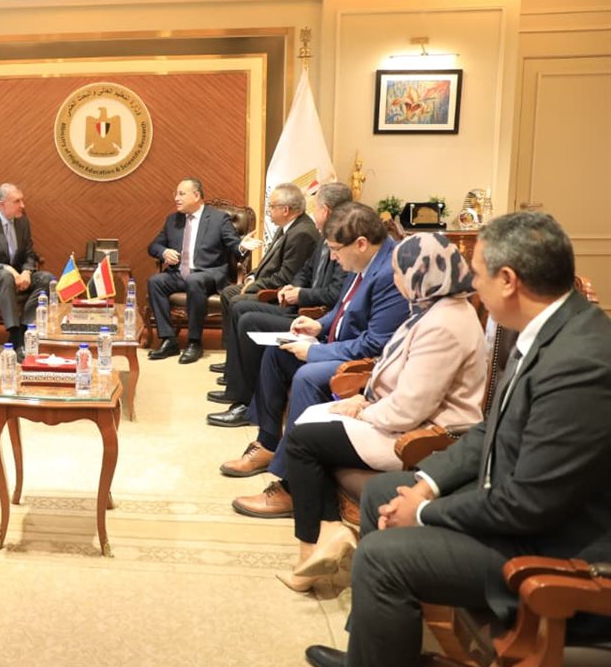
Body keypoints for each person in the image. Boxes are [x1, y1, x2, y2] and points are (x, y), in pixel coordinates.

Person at [303, 212, 611, 667]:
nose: (472, 285)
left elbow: (528, 505)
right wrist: (426, 484)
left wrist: (422, 512)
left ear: (508, 280)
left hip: (550, 548)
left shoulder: (580, 363)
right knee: (385, 493)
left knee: (383, 557)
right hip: (515, 505)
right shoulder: (549, 329)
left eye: (478, 274)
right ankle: (373, 650)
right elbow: (490, 428)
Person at [274, 232, 486, 593]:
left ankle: (315, 544)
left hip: (423, 435)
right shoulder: (432, 308)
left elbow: (409, 408)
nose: (396, 279)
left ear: (421, 271)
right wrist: (363, 401)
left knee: (302, 440)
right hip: (401, 417)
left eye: (399, 272)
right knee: (308, 421)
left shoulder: (445, 324)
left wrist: (364, 410)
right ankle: (326, 535)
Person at [223, 202, 408, 519]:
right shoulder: (363, 262)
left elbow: (375, 344)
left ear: (361, 243)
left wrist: (314, 352)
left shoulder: (389, 273)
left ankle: (293, 487)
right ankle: (268, 443)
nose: (333, 257)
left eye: (335, 250)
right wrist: (319, 325)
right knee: (277, 353)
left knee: (307, 376)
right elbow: (342, 307)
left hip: (366, 364)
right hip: (339, 346)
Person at [208, 182, 351, 424]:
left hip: (313, 316)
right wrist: (294, 288)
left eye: (315, 207)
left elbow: (334, 294)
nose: (312, 212)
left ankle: (244, 402)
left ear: (325, 210)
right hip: (298, 307)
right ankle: (238, 386)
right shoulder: (323, 236)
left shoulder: (340, 241)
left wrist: (301, 295)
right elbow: (304, 271)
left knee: (246, 315)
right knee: (242, 309)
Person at [146, 178, 242, 364]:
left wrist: (243, 247)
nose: (176, 198)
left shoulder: (218, 219)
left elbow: (235, 245)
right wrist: (164, 252)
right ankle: (168, 339)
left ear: (196, 195)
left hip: (208, 274)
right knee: (155, 281)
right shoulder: (173, 220)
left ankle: (194, 342)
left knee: (194, 280)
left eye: (181, 194)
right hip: (179, 274)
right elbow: (153, 246)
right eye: (175, 194)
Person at [0, 182, 54, 360]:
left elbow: (30, 254)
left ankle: (24, 329)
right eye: (17, 201)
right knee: (5, 276)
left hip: (17, 276)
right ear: (2, 204)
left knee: (47, 279)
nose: (23, 205)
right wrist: (6, 268)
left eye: (22, 200)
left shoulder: (22, 223)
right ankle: (15, 337)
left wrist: (27, 272)